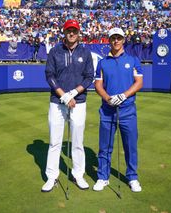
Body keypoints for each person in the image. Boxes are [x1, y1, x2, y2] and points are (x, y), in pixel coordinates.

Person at [42, 19, 94, 192]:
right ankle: (52, 176)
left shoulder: (85, 53)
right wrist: (63, 95)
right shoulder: (55, 51)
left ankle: (78, 175)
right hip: (57, 102)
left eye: (74, 30)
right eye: (68, 30)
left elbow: (89, 77)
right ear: (64, 32)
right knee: (55, 142)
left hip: (78, 102)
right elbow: (49, 75)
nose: (71, 33)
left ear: (79, 32)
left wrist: (73, 93)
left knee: (78, 142)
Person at [93, 27, 143, 192]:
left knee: (130, 145)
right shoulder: (102, 62)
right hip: (107, 110)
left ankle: (132, 177)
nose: (116, 41)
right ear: (109, 40)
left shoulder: (133, 60)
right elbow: (98, 84)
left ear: (123, 40)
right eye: (113, 38)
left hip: (128, 109)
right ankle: (102, 177)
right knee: (105, 146)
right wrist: (108, 98)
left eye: (119, 38)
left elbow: (138, 83)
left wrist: (123, 96)